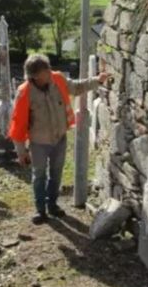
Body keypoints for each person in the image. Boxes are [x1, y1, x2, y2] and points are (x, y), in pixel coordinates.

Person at [9, 54, 108, 224]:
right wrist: (21, 151)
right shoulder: (24, 92)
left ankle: (52, 205)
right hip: (38, 142)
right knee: (39, 175)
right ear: (35, 76)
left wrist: (97, 80)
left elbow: (76, 88)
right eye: (45, 71)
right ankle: (40, 210)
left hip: (59, 138)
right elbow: (18, 124)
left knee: (56, 174)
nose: (49, 72)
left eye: (48, 68)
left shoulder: (58, 79)